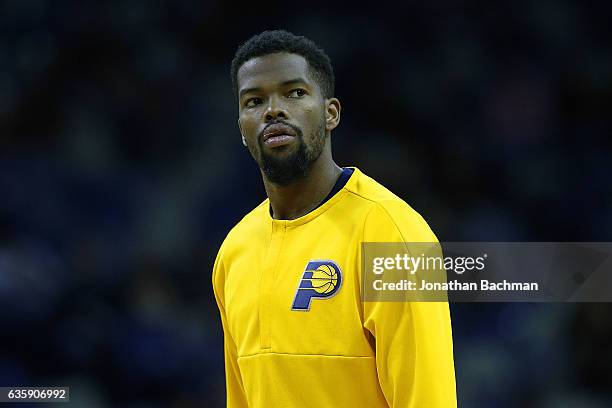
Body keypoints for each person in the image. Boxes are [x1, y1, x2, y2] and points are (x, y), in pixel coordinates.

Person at [212, 30, 456, 407]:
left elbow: (427, 399)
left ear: (331, 113)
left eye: (295, 93)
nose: (273, 110)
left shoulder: (393, 233)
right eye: (254, 100)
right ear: (242, 128)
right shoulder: (234, 252)